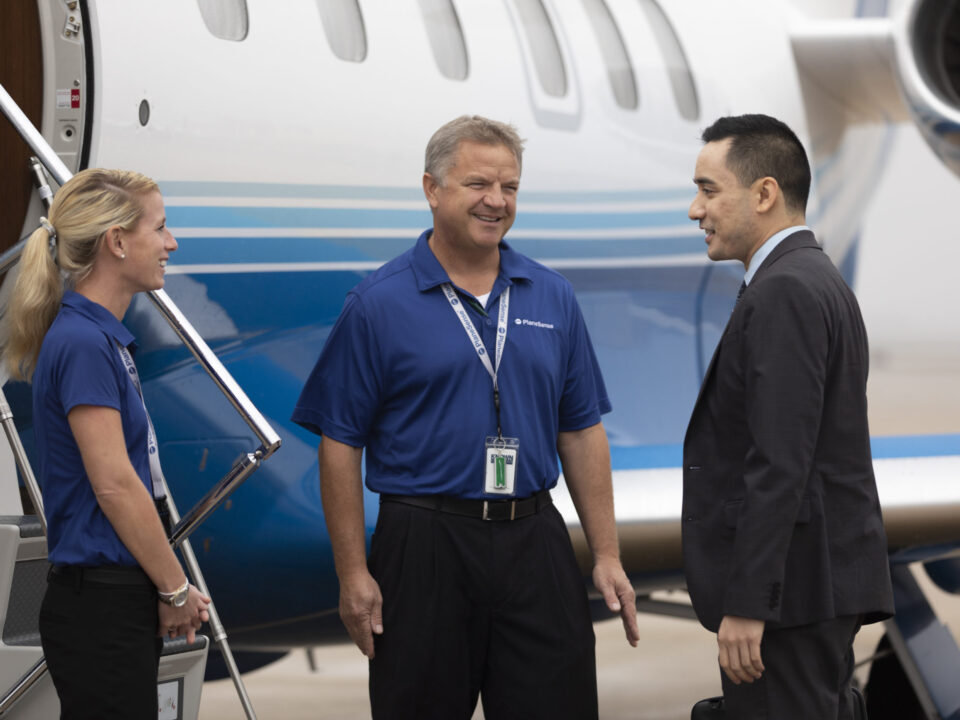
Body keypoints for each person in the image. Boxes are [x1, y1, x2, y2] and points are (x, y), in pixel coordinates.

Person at [292, 115, 639, 719]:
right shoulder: (378, 304)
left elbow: (580, 429)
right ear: (432, 189)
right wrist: (353, 573)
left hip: (535, 540)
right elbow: (339, 443)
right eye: (478, 184)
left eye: (510, 188)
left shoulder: (552, 295)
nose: (496, 201)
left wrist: (606, 553)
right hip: (424, 546)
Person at [683, 114, 895, 719]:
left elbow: (780, 461)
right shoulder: (816, 279)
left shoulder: (784, 291)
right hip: (811, 588)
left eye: (707, 189)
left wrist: (750, 604)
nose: (695, 210)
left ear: (765, 193)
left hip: (791, 598)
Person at [3, 168, 210, 719]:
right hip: (100, 606)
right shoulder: (84, 343)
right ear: (117, 242)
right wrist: (174, 588)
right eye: (160, 228)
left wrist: (161, 589)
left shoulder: (98, 338)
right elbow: (116, 485)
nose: (171, 243)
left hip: (113, 599)